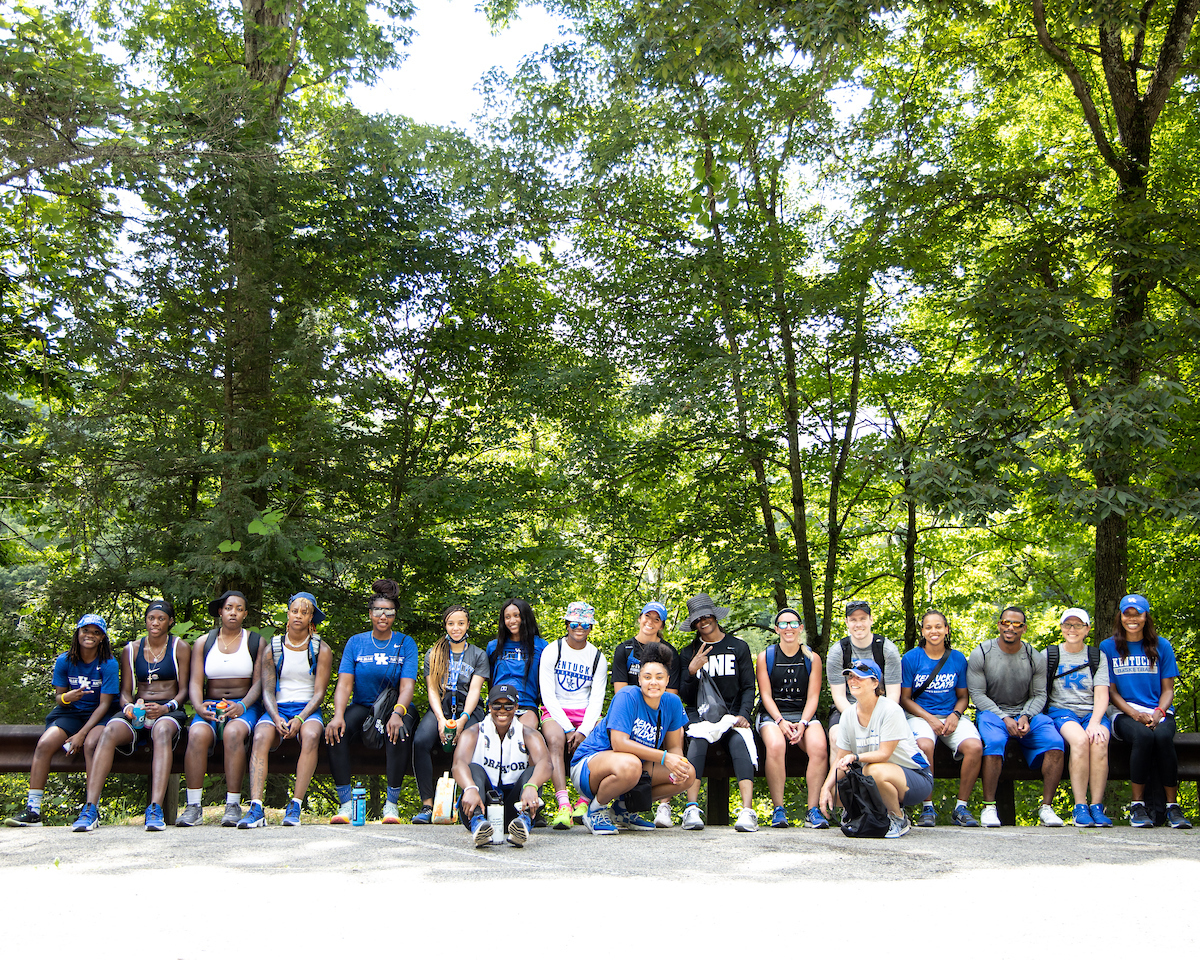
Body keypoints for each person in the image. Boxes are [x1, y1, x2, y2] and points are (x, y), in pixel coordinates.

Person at [73, 601, 190, 832]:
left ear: (170, 622)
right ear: (145, 620)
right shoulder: (131, 649)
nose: (155, 623)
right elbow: (125, 692)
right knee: (108, 732)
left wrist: (166, 708)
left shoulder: (180, 647)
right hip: (138, 708)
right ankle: (90, 808)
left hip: (168, 709)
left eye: (161, 618)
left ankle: (155, 808)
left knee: (162, 731)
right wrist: (128, 706)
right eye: (151, 618)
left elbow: (185, 690)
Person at [569, 642, 695, 835]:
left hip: (632, 768)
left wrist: (677, 765)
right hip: (589, 766)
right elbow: (619, 743)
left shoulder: (673, 703)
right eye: (648, 677)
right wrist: (664, 758)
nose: (653, 682)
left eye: (659, 677)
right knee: (631, 764)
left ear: (667, 680)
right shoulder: (627, 696)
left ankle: (623, 809)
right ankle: (594, 811)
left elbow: (674, 747)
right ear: (639, 679)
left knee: (688, 774)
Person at [5, 615, 118, 827]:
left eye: (96, 632)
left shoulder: (108, 663)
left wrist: (81, 735)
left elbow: (104, 705)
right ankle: (33, 810)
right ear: (78, 633)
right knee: (44, 744)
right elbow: (59, 698)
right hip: (70, 713)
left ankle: (90, 809)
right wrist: (68, 697)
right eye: (86, 631)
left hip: (100, 715)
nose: (90, 636)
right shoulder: (64, 660)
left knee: (91, 745)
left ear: (102, 637)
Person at [326, 578, 419, 824]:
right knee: (337, 731)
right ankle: (345, 804)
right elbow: (344, 684)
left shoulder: (405, 643)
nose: (383, 616)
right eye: (378, 611)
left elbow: (407, 685)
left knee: (397, 732)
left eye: (389, 612)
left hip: (396, 705)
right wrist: (337, 715)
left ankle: (392, 805)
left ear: (395, 615)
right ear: (370, 613)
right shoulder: (356, 642)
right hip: (363, 705)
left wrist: (398, 713)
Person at [238, 592, 333, 828]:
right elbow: (267, 690)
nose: (298, 616)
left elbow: (320, 693)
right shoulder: (273, 647)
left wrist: (301, 718)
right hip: (277, 708)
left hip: (307, 709)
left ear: (312, 617)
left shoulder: (321, 649)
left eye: (304, 612)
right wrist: (276, 716)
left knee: (311, 735)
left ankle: (296, 804)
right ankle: (256, 806)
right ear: (288, 614)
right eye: (294, 611)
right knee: (260, 736)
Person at [966, 605, 1066, 827]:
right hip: (993, 713)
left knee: (1055, 742)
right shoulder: (982, 653)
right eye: (1006, 623)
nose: (1010, 628)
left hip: (1027, 713)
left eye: (1016, 624)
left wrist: (1026, 716)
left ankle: (1047, 807)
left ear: (1024, 628)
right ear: (999, 625)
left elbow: (1040, 694)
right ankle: (989, 807)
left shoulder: (1034, 656)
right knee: (993, 742)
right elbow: (977, 694)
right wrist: (1004, 717)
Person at [1100, 594, 1192, 828]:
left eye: (1137, 614)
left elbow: (1168, 689)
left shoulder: (1162, 645)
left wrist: (1159, 711)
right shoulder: (1108, 647)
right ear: (1120, 616)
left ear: (1145, 616)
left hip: (1158, 711)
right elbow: (1111, 692)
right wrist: (1134, 714)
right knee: (1142, 736)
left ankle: (1173, 806)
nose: (1132, 619)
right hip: (1124, 713)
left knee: (1162, 737)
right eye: (1127, 613)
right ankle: (1137, 805)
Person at [176, 590, 265, 827]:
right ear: (220, 611)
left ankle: (233, 804)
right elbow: (195, 682)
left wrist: (243, 705)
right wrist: (198, 706)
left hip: (243, 705)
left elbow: (259, 682)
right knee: (196, 734)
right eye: (228, 608)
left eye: (238, 608)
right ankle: (193, 806)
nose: (233, 612)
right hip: (210, 705)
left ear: (245, 613)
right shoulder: (204, 643)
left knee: (233, 733)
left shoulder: (255, 641)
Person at [820, 660, 933, 838]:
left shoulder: (890, 710)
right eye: (850, 677)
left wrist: (855, 757)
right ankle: (866, 814)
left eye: (860, 677)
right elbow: (840, 758)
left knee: (872, 770)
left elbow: (884, 754)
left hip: (916, 778)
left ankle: (897, 818)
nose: (852, 681)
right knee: (837, 790)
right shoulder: (848, 714)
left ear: (875, 683)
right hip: (879, 776)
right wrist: (825, 788)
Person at [677, 593, 758, 832]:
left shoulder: (738, 647)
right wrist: (691, 671)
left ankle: (747, 811)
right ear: (693, 625)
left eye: (706, 616)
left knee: (738, 743)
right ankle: (691, 809)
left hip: (731, 717)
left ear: (715, 616)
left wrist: (744, 714)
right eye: (697, 620)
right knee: (697, 744)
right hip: (701, 718)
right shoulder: (687, 652)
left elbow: (748, 687)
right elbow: (685, 695)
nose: (703, 621)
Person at [899, 609, 983, 827]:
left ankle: (961, 807)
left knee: (974, 747)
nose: (933, 631)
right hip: (920, 715)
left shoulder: (957, 658)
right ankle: (928, 808)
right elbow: (905, 699)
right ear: (922, 631)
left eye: (938, 626)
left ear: (946, 630)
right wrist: (930, 719)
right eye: (928, 627)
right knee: (924, 745)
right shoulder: (910, 658)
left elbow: (963, 696)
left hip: (951, 715)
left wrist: (955, 715)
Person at [411, 604, 490, 824]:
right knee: (420, 741)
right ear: (445, 625)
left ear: (468, 625)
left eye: (461, 623)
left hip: (469, 709)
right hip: (441, 708)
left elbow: (475, 690)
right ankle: (427, 805)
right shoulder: (433, 653)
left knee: (470, 743)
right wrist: (439, 719)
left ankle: (470, 802)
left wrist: (464, 718)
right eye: (451, 623)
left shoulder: (478, 655)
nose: (456, 628)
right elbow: (431, 690)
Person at [754, 607, 829, 828]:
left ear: (801, 628)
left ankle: (813, 810)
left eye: (794, 624)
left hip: (803, 715)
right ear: (777, 628)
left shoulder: (812, 658)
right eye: (784, 624)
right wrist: (780, 722)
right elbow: (766, 695)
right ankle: (779, 809)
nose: (789, 628)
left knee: (819, 747)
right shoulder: (765, 656)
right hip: (773, 716)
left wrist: (804, 723)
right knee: (776, 745)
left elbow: (813, 697)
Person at [453, 683, 552, 847]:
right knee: (473, 769)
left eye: (508, 706)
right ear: (489, 706)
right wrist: (470, 788)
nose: (502, 710)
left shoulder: (528, 733)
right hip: (480, 803)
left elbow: (546, 763)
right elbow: (458, 764)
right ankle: (479, 825)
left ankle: (522, 825)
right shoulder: (474, 732)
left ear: (516, 707)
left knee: (533, 774)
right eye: (497, 705)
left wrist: (531, 786)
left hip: (514, 806)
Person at [1044, 607, 1112, 827]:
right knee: (1080, 740)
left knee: (1099, 740)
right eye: (1067, 625)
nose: (1072, 629)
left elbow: (1102, 693)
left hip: (1092, 712)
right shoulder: (1050, 654)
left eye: (1078, 625)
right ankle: (1080, 806)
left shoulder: (1096, 655)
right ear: (1062, 628)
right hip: (1062, 711)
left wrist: (1094, 723)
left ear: (1087, 629)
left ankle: (1097, 806)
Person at [825, 600, 902, 761]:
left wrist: (876, 719)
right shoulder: (838, 651)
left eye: (862, 619)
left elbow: (894, 695)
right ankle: (838, 784)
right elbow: (839, 696)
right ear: (846, 622)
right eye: (853, 620)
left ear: (871, 620)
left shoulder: (887, 650)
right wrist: (856, 719)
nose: (858, 624)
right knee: (836, 738)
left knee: (883, 740)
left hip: (881, 709)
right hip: (847, 709)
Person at [485, 598, 548, 733]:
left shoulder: (541, 646)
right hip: (498, 702)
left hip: (526, 704)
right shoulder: (493, 647)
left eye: (516, 615)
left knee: (524, 736)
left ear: (525, 617)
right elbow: (489, 678)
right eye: (507, 617)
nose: (511, 621)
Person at [611, 601, 682, 695]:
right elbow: (621, 694)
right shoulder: (624, 649)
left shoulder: (669, 653)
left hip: (658, 707)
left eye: (656, 619)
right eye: (647, 616)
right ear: (640, 618)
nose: (650, 621)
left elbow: (671, 695)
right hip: (630, 706)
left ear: (661, 626)